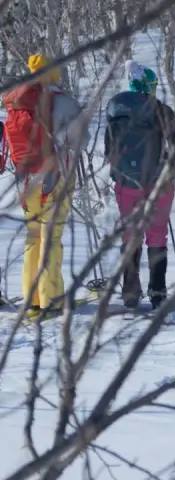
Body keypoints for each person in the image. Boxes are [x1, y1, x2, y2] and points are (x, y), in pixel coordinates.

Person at [2, 54, 83, 317]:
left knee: (33, 237)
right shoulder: (61, 101)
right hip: (55, 178)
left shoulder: (18, 101)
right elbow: (80, 139)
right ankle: (51, 299)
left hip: (26, 181)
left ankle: (31, 299)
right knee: (52, 237)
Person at [104, 61, 175, 308]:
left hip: (127, 182)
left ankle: (130, 291)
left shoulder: (116, 110)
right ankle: (157, 291)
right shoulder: (161, 110)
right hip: (159, 182)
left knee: (131, 234)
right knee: (157, 234)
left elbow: (108, 149)